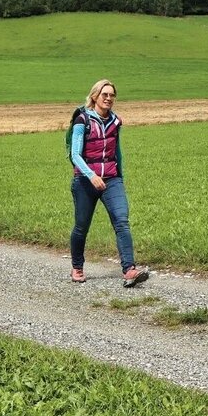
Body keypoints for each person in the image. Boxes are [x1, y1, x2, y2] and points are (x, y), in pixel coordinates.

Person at [68, 78, 149, 286]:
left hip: (112, 179)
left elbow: (117, 152)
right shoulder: (82, 120)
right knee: (81, 226)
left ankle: (129, 270)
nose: (109, 98)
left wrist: (120, 177)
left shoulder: (116, 122)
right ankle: (77, 267)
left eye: (112, 95)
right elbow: (75, 155)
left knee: (121, 221)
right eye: (105, 94)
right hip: (85, 181)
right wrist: (91, 176)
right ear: (95, 96)